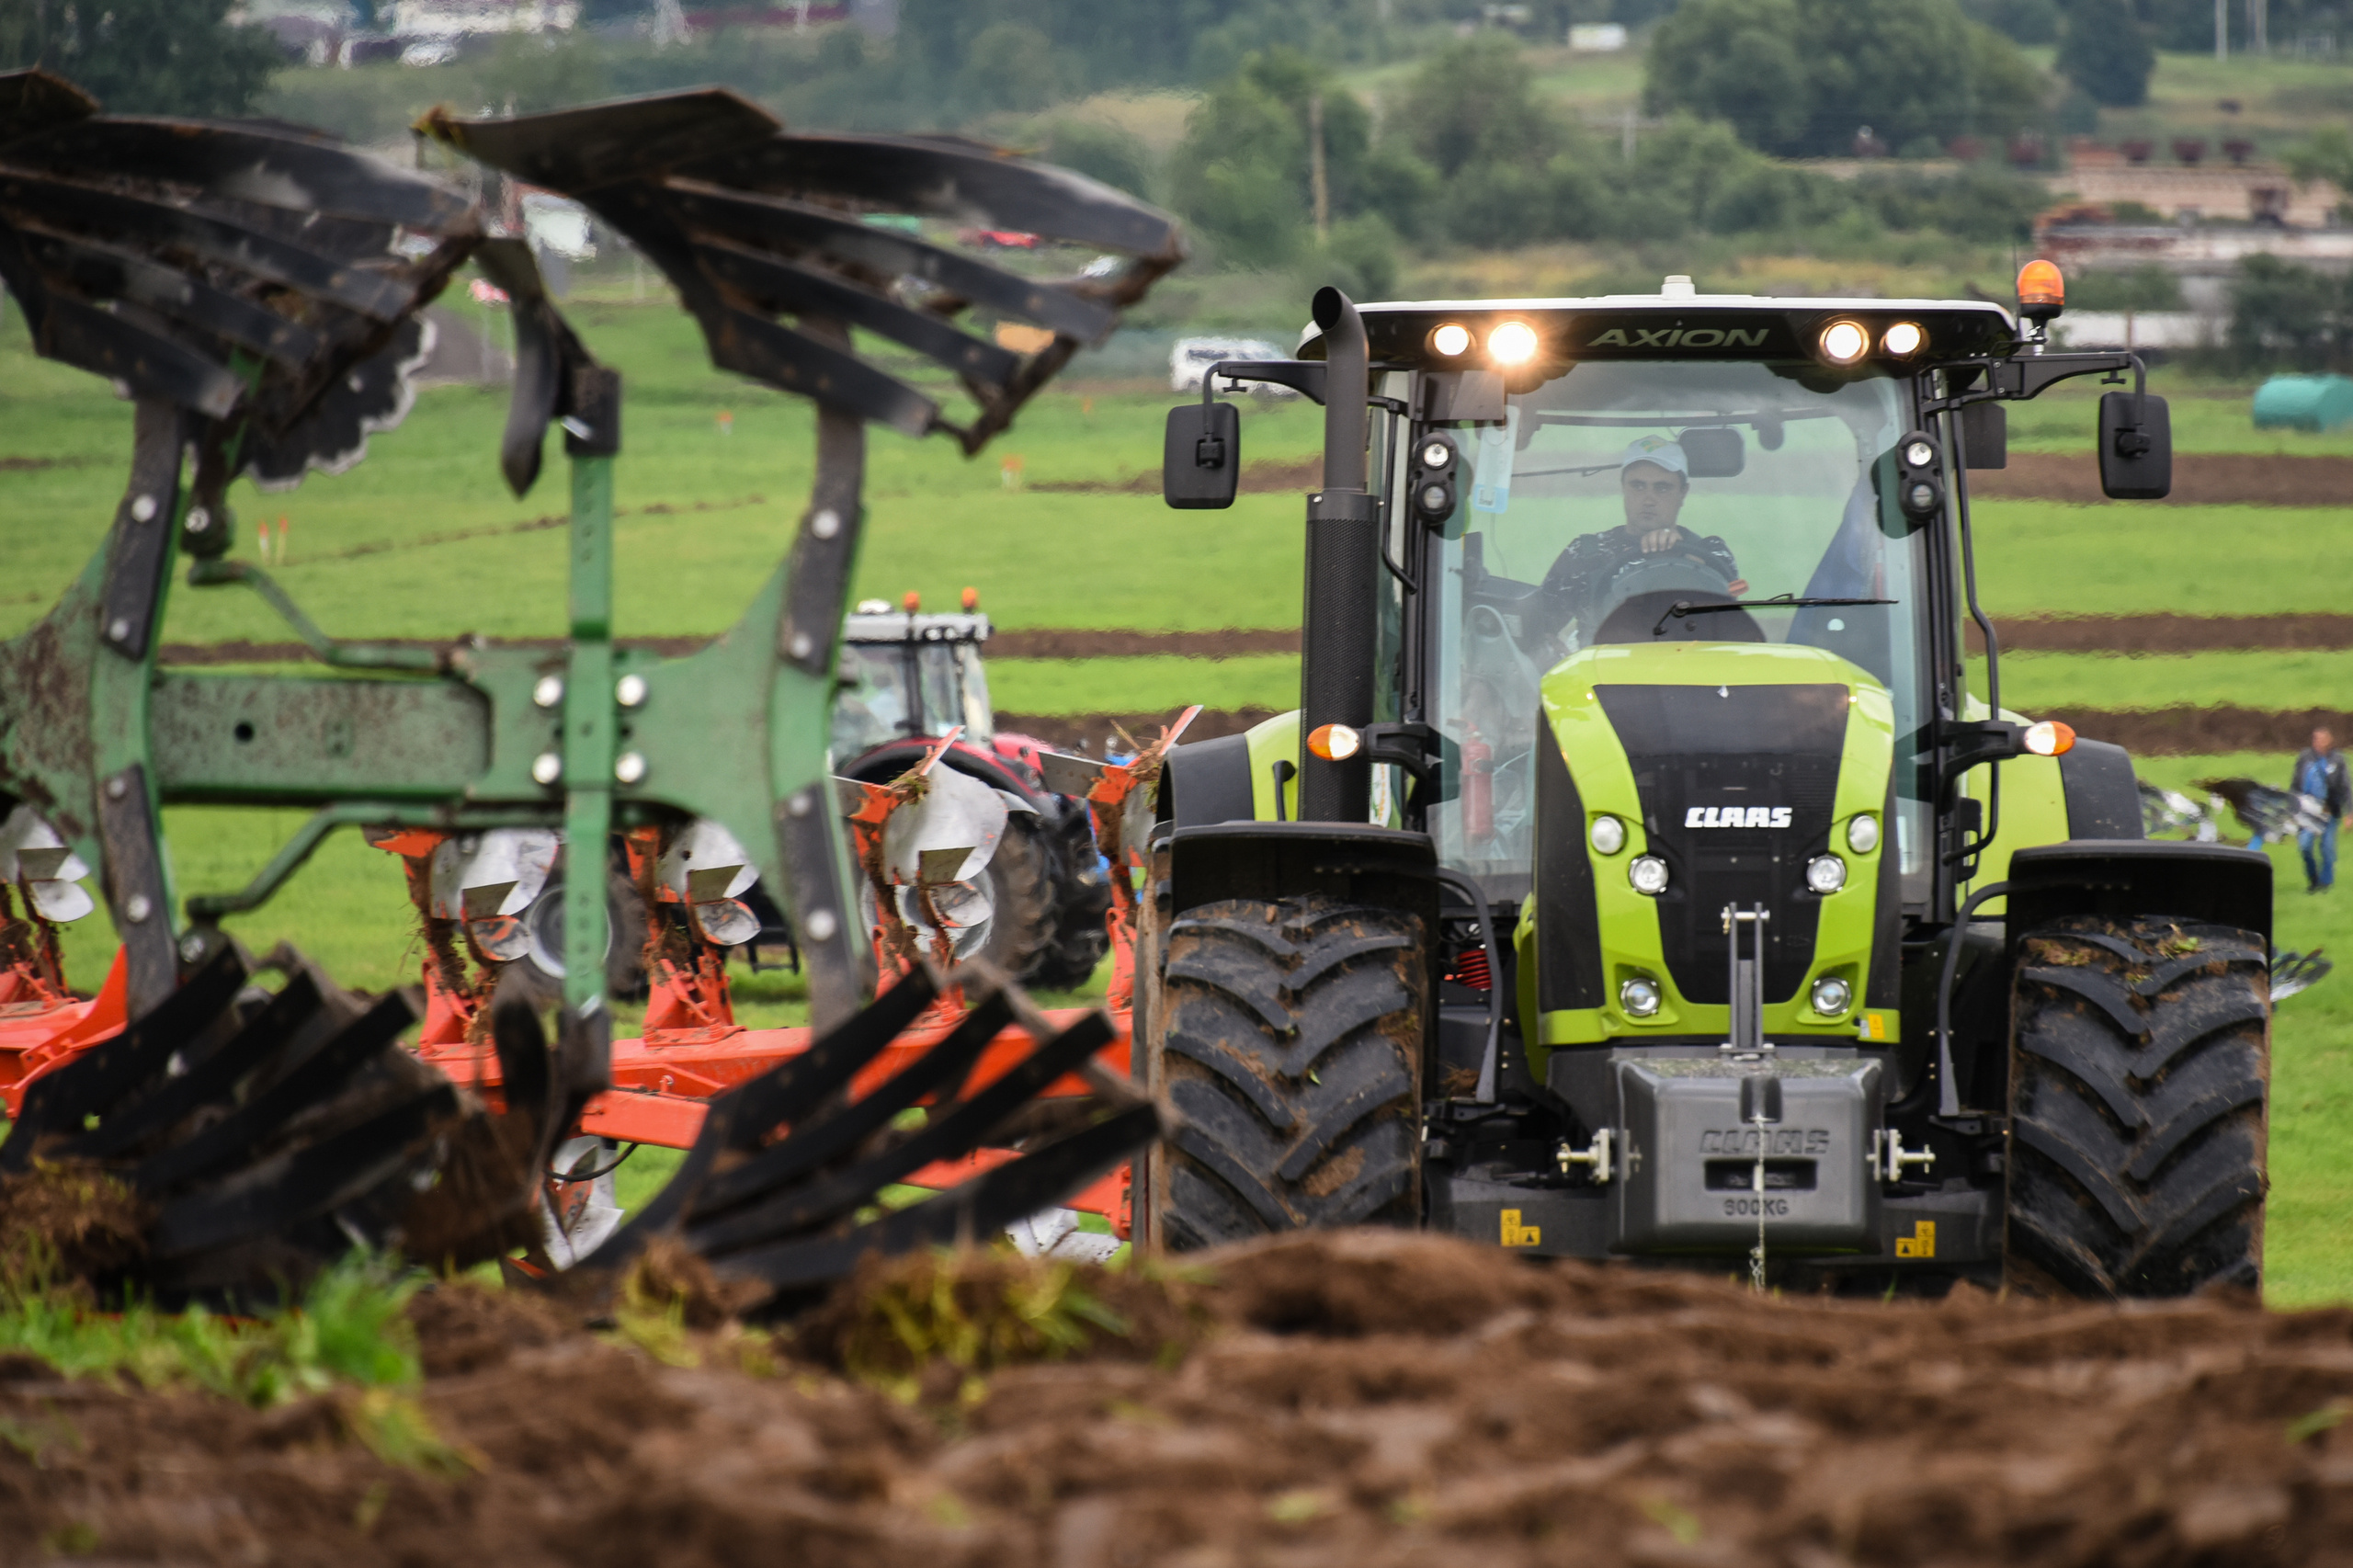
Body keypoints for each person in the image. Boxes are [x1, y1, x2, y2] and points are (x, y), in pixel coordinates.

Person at [1530, 436, 1747, 645]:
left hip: (1688, 675)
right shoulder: (1584, 553)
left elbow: (1726, 619)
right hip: (1598, 677)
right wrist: (1552, 652)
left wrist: (1682, 557)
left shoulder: (1710, 553)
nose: (1649, 499)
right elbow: (1536, 630)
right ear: (1623, 486)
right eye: (1638, 486)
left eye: (1662, 487)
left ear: (1683, 492)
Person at [2291, 727, 2349, 892]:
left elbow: (2345, 787)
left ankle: (2325, 883)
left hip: (2329, 811)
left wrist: (2349, 813)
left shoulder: (2337, 760)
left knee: (2327, 848)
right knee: (2305, 846)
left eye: (2322, 739)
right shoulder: (2305, 758)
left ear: (2329, 741)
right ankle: (2313, 879)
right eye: (2315, 739)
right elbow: (2295, 784)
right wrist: (2291, 808)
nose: (2318, 742)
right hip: (2307, 812)